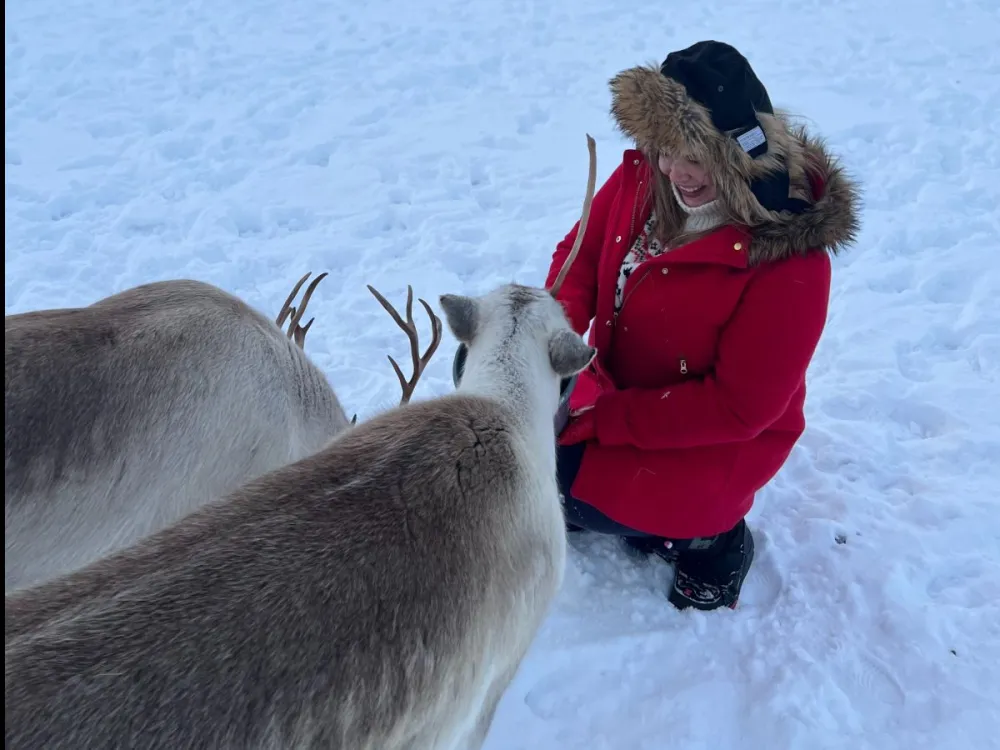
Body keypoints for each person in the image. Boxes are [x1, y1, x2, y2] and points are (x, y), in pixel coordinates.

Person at [545, 40, 861, 611]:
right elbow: (582, 255)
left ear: (741, 151)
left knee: (564, 488)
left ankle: (710, 539)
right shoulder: (650, 179)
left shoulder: (787, 262)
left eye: (695, 156)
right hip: (616, 395)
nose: (674, 172)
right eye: (664, 150)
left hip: (712, 442)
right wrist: (550, 339)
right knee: (534, 465)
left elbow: (739, 408)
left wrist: (604, 419)